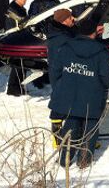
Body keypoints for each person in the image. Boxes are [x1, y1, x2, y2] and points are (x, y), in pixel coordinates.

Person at [48, 18, 109, 169]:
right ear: (94, 32)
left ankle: (64, 160)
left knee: (70, 125)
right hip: (92, 99)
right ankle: (83, 163)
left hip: (69, 97)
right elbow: (108, 79)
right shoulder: (101, 52)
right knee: (90, 129)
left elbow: (55, 71)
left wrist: (61, 87)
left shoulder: (66, 47)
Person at [48, 8, 76, 148]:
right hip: (62, 75)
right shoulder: (62, 38)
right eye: (71, 18)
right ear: (64, 20)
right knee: (61, 105)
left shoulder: (61, 32)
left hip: (61, 73)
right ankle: (57, 138)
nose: (73, 19)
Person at [5, 0, 29, 96]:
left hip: (21, 39)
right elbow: (12, 27)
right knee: (17, 64)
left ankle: (19, 87)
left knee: (21, 64)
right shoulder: (12, 10)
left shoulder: (21, 9)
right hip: (15, 40)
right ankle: (13, 88)